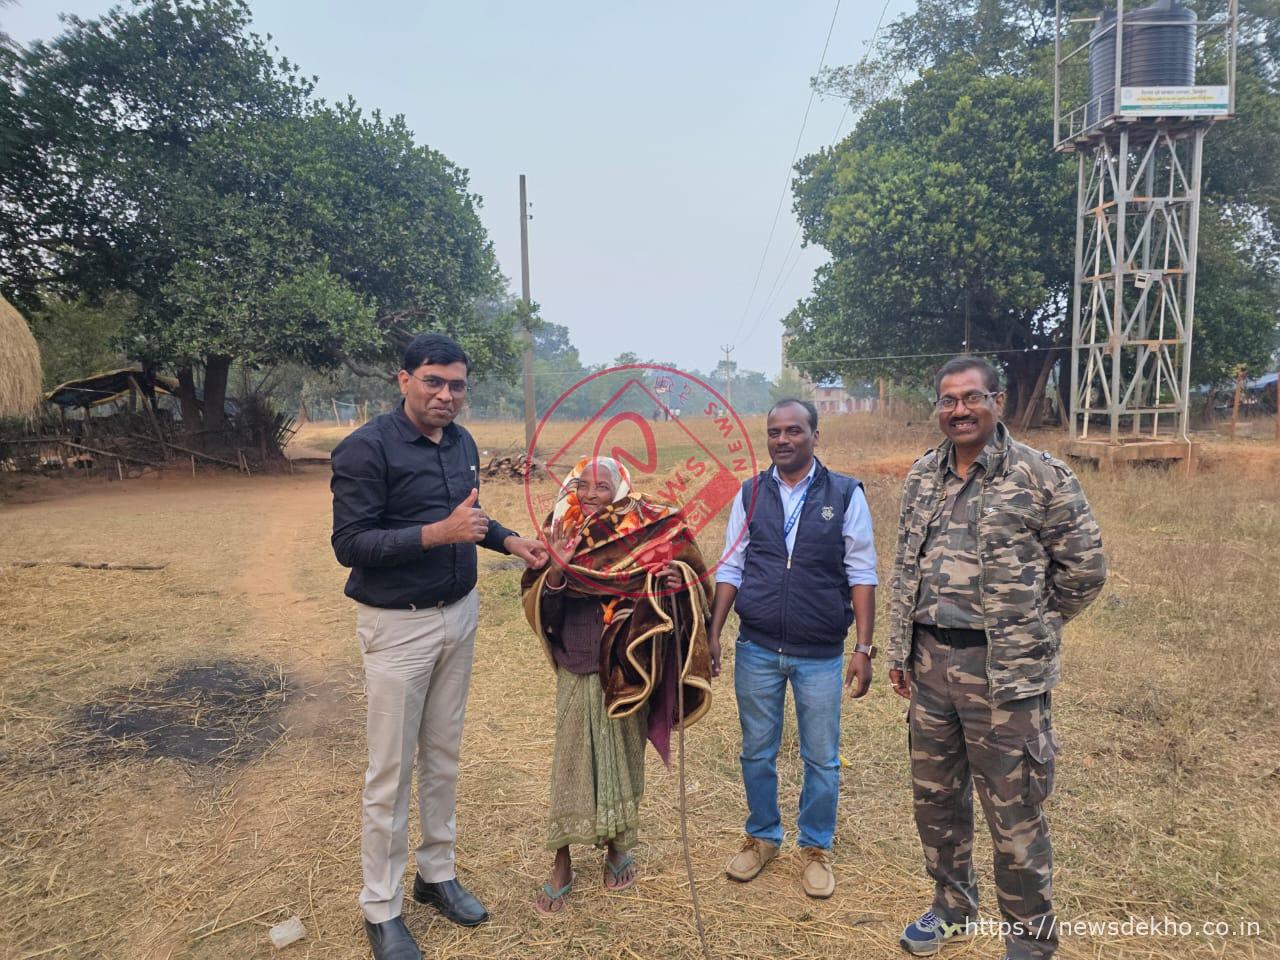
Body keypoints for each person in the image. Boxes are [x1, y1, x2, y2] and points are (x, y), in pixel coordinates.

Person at [330, 333, 548, 960]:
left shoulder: (461, 443)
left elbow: (471, 517)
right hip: (397, 626)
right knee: (391, 772)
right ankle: (381, 906)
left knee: (444, 755)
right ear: (404, 380)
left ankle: (436, 875)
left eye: (456, 385)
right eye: (433, 381)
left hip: (459, 614)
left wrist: (509, 542)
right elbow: (351, 544)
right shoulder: (365, 449)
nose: (446, 395)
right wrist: (435, 534)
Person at [887, 357, 1106, 960]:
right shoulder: (922, 476)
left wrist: (1032, 626)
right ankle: (951, 908)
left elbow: (1086, 571)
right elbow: (907, 566)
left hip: (1005, 677)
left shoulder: (1041, 477)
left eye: (971, 398)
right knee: (936, 802)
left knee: (1015, 815)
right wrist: (901, 649)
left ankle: (1030, 941)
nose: (958, 410)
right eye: (947, 401)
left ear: (998, 400)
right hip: (931, 666)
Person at [520, 456, 715, 915]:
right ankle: (562, 860)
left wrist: (676, 578)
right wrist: (557, 570)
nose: (589, 494)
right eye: (582, 484)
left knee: (624, 759)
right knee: (570, 764)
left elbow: (693, 579)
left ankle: (616, 849)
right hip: (578, 663)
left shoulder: (649, 527)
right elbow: (540, 608)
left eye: (601, 486)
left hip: (630, 666)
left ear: (621, 488)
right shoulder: (560, 530)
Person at [708, 398, 878, 899]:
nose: (782, 440)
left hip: (821, 653)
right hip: (757, 647)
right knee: (756, 751)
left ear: (814, 435)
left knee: (821, 758)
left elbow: (862, 572)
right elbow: (732, 565)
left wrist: (863, 647)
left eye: (794, 431)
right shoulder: (750, 492)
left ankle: (816, 847)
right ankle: (762, 838)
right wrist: (712, 632)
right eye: (774, 431)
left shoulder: (844, 493)